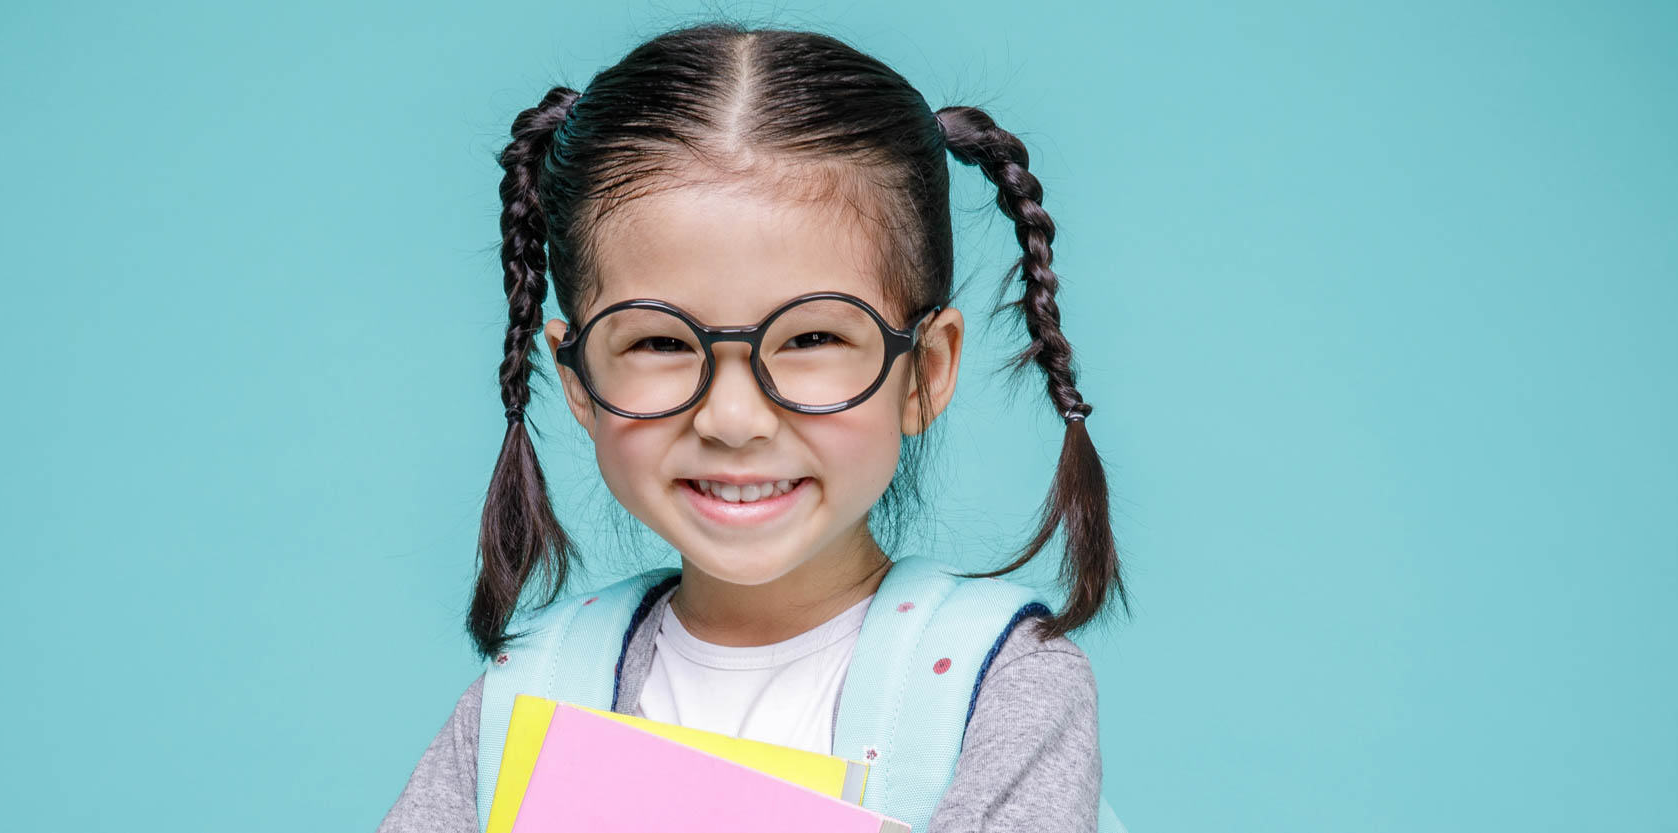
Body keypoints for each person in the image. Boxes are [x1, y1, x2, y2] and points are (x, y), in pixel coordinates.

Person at [379, 21, 1126, 833]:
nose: (732, 419)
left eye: (812, 338)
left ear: (927, 370)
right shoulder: (526, 690)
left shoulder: (993, 688)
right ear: (580, 380)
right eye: (660, 341)